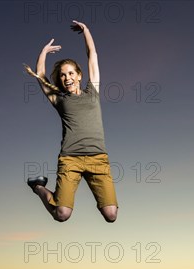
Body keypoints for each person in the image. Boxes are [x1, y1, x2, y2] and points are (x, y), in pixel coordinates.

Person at [24, 20, 118, 223]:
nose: (67, 78)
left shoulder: (92, 91)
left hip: (98, 159)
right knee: (62, 214)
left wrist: (86, 31)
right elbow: (40, 76)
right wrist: (44, 53)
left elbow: (92, 56)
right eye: (63, 75)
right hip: (70, 160)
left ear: (79, 75)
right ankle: (38, 186)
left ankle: (40, 187)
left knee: (111, 214)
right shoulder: (59, 100)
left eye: (71, 73)